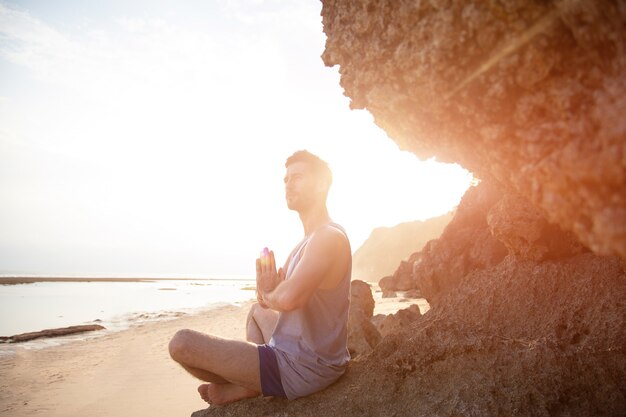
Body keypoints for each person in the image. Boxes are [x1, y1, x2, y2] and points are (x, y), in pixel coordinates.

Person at [168, 150, 352, 405]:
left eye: (297, 177)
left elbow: (288, 299)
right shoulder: (309, 241)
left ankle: (249, 385)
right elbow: (280, 299)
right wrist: (266, 296)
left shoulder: (328, 237)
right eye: (286, 180)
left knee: (181, 343)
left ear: (322, 184)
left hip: (305, 367)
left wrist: (271, 294)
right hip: (293, 351)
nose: (288, 185)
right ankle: (250, 382)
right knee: (257, 312)